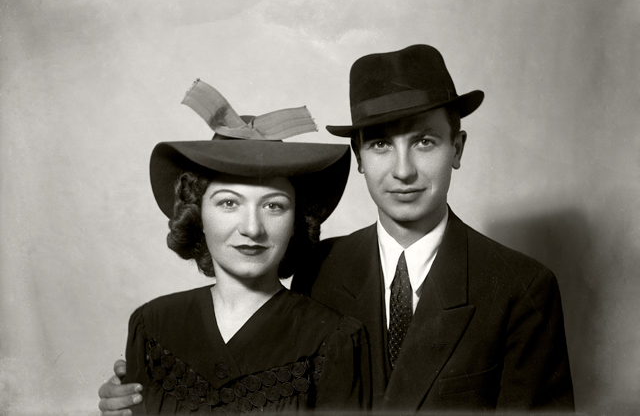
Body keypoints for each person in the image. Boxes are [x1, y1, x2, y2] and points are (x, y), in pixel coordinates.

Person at [100, 45, 574, 413]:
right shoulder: (317, 267)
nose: (403, 170)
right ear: (360, 158)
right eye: (381, 144)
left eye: (425, 141)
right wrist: (147, 396)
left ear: (458, 148)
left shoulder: (520, 289)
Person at [100, 79, 369, 414]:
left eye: (273, 206)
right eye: (229, 203)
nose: (252, 228)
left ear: (296, 222)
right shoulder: (152, 324)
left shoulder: (334, 338)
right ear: (198, 214)